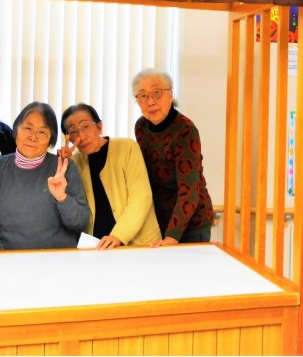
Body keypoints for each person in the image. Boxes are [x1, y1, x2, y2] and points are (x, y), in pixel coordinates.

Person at [0, 101, 89, 250]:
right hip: (6, 258)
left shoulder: (64, 167)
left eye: (42, 132)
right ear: (16, 130)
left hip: (57, 257)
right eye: (27, 128)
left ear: (51, 139)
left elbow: (80, 222)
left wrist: (62, 198)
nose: (33, 137)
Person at [59, 103, 161, 249]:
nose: (81, 136)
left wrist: (118, 235)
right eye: (73, 131)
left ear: (99, 126)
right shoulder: (74, 162)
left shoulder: (126, 147)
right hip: (97, 247)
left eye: (85, 126)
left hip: (140, 244)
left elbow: (141, 198)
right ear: (69, 139)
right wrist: (64, 163)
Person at [132, 68, 214, 246]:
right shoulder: (141, 127)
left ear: (170, 94)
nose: (151, 102)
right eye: (143, 96)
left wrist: (172, 235)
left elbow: (189, 189)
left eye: (157, 93)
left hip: (191, 222)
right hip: (159, 219)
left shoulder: (185, 130)